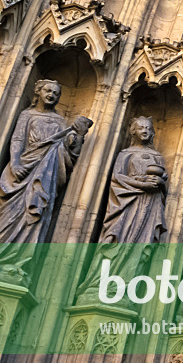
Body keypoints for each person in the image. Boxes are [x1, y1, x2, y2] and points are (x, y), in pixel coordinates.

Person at [0, 79, 92, 284]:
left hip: (46, 176)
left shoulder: (60, 122)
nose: (51, 95)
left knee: (35, 214)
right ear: (38, 92)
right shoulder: (27, 115)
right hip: (23, 170)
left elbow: (68, 155)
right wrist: (15, 163)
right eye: (48, 91)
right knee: (11, 214)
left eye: (56, 93)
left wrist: (77, 135)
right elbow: (17, 140)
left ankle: (18, 264)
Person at [77, 116, 168, 303]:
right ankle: (99, 285)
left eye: (148, 128)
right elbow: (117, 178)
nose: (145, 131)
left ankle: (124, 288)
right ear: (133, 131)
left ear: (152, 132)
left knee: (139, 248)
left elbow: (163, 186)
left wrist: (159, 183)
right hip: (127, 203)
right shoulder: (126, 153)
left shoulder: (157, 157)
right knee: (116, 240)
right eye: (140, 128)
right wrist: (141, 184)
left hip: (149, 206)